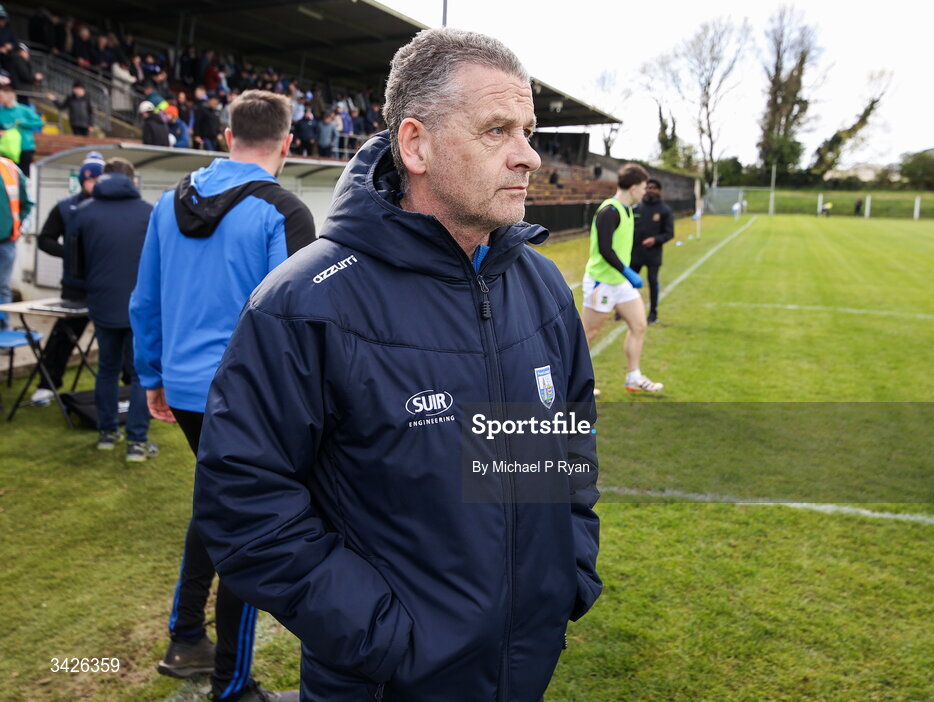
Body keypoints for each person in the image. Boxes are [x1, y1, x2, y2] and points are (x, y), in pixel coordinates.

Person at [190, 28, 601, 701]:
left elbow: (567, 446)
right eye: (498, 130)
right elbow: (245, 503)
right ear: (416, 145)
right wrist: (387, 636)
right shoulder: (304, 302)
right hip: (380, 681)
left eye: (528, 130)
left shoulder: (543, 288)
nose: (528, 156)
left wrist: (568, 572)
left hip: (524, 667)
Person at [130, 89, 315, 702]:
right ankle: (233, 684)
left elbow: (146, 298)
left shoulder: (168, 201)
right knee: (251, 526)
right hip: (248, 399)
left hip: (186, 389)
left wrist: (152, 376)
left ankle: (186, 637)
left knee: (217, 503)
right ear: (287, 144)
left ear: (227, 134)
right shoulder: (282, 211)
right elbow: (293, 328)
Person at [70, 158, 156, 459]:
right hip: (140, 306)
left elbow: (74, 265)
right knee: (138, 374)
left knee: (106, 369)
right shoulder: (149, 213)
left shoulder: (82, 213)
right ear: (133, 180)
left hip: (102, 303)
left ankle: (107, 433)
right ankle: (137, 441)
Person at [581, 163, 664, 393]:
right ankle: (571, 384)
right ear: (635, 187)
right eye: (644, 187)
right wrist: (628, 272)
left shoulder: (628, 210)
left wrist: (625, 276)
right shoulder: (610, 211)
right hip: (602, 282)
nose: (646, 191)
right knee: (588, 334)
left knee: (639, 325)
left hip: (620, 283)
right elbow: (606, 250)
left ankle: (633, 376)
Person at [31, 152, 104, 405]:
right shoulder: (65, 207)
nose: (94, 184)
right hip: (75, 286)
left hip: (108, 286)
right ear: (83, 180)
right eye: (90, 179)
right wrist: (70, 255)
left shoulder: (114, 207)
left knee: (120, 338)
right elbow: (45, 239)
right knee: (63, 336)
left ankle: (129, 388)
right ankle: (47, 384)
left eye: (99, 178)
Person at [631, 178, 674, 324]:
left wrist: (655, 240)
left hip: (653, 254)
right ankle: (622, 309)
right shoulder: (636, 208)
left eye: (654, 188)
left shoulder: (664, 210)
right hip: (635, 253)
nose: (650, 190)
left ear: (659, 190)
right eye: (648, 187)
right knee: (629, 282)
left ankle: (653, 312)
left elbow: (669, 233)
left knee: (652, 282)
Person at [0, 142, 31, 330]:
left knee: (2, 288)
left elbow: (27, 204)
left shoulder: (10, 169)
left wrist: (21, 228)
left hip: (5, 243)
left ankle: (2, 334)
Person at [0, 71, 43, 172]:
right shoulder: (1, 112)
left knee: (24, 176)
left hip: (25, 146)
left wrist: (24, 123)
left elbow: (39, 122)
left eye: (1, 96)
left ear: (9, 95)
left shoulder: (24, 109)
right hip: (8, 149)